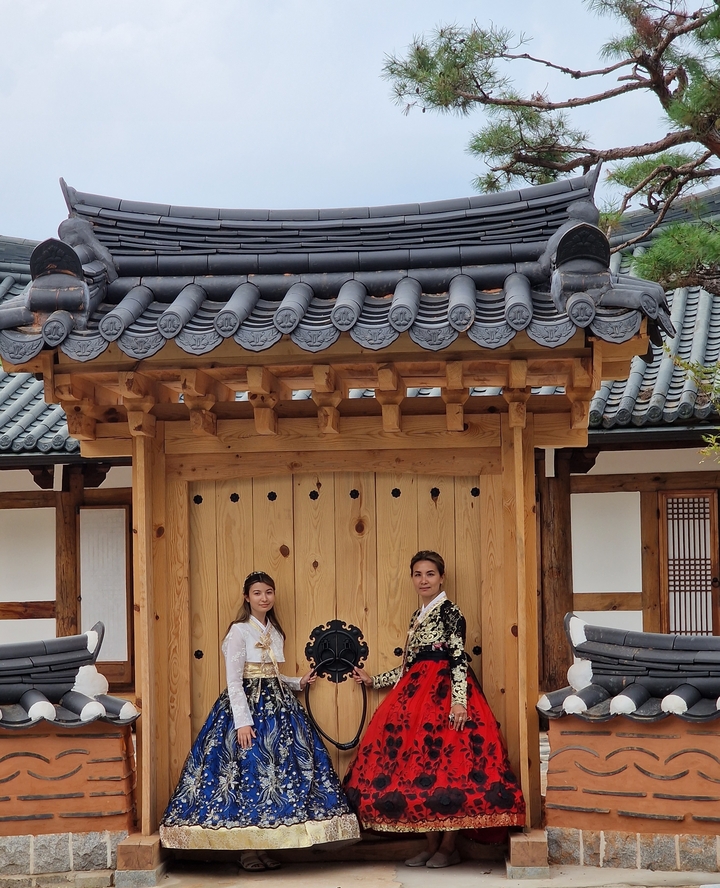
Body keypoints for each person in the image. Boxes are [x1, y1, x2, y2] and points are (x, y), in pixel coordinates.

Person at [160, 570, 360, 871]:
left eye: (269, 592)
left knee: (279, 777)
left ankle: (265, 846)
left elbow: (272, 674)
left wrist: (297, 682)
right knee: (249, 773)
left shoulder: (274, 631)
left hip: (278, 706)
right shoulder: (239, 631)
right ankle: (246, 851)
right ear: (247, 597)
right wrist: (243, 721)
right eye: (257, 593)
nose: (264, 598)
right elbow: (235, 680)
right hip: (248, 710)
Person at [343, 550, 525, 868]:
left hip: (445, 696)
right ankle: (431, 843)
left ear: (441, 577)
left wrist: (458, 701)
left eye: (429, 574)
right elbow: (407, 666)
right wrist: (375, 680)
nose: (423, 579)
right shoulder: (417, 616)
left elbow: (458, 658)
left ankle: (448, 846)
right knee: (417, 769)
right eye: (417, 574)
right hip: (415, 696)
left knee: (450, 767)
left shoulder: (451, 613)